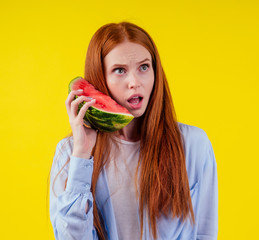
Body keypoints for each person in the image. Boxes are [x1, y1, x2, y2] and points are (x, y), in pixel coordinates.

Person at [49, 21, 218, 240]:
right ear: (100, 78)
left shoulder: (193, 145)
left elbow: (205, 232)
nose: (134, 82)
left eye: (144, 67)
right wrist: (82, 154)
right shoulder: (70, 152)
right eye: (119, 70)